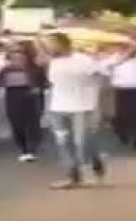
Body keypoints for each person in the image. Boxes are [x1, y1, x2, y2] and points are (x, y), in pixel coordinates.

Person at [43, 33, 106, 189]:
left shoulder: (83, 60)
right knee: (63, 142)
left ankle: (95, 161)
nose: (49, 47)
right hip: (58, 107)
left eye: (51, 43)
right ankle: (73, 176)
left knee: (82, 142)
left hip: (81, 107)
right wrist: (47, 109)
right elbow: (53, 85)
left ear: (63, 43)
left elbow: (101, 79)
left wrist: (96, 104)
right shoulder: (53, 62)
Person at [0, 45, 46, 161]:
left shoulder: (35, 68)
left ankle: (31, 148)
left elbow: (44, 82)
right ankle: (23, 147)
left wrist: (38, 89)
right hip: (12, 96)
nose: (17, 56)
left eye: (20, 53)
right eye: (14, 54)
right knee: (16, 123)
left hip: (30, 96)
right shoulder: (5, 70)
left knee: (32, 123)